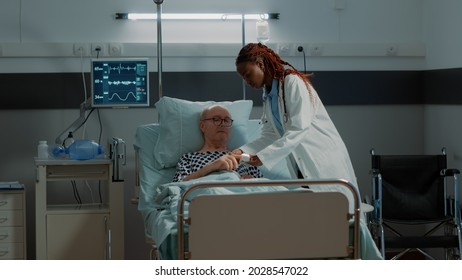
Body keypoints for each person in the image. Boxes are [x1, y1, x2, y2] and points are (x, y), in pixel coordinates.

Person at [233, 43, 360, 208]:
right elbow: (270, 134)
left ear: (260, 64)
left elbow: (299, 128)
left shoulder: (292, 82)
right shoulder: (269, 95)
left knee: (338, 216)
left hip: (322, 159)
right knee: (316, 217)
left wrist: (262, 157)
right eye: (243, 77)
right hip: (301, 165)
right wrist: (243, 151)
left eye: (247, 74)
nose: (247, 81)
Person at [173, 105, 262, 182]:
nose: (222, 124)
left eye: (226, 120)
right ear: (202, 126)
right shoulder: (189, 158)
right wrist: (212, 166)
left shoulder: (245, 159)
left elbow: (266, 187)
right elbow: (178, 185)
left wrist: (253, 181)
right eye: (216, 119)